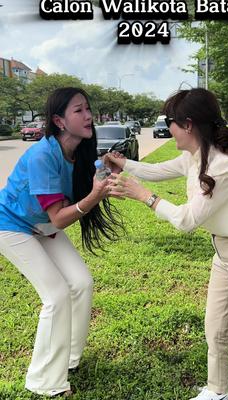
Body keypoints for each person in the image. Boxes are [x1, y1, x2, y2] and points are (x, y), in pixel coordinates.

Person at [105, 88, 228, 400]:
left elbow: (188, 220)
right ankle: (217, 392)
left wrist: (143, 196)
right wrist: (124, 164)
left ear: (187, 124)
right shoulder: (195, 154)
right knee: (214, 330)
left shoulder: (224, 165)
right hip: (224, 253)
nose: (168, 128)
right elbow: (160, 170)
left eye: (170, 121)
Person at [0, 87, 123, 397]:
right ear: (59, 120)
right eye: (79, 110)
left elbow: (86, 179)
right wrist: (94, 197)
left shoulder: (76, 150)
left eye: (88, 109)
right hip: (12, 225)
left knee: (81, 282)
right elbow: (59, 218)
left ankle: (68, 358)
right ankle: (44, 381)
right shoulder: (42, 155)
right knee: (56, 295)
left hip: (41, 226)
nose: (89, 115)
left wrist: (108, 169)